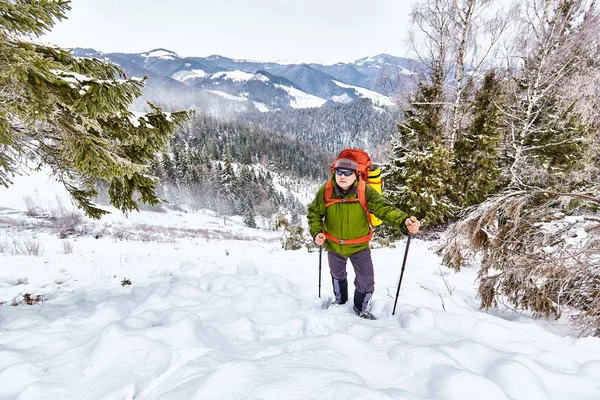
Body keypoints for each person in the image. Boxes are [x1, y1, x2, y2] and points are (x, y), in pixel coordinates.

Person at [307, 156, 420, 318]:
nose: (342, 176)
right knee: (337, 275)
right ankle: (340, 300)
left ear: (355, 175)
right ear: (334, 172)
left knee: (366, 281)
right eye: (339, 172)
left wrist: (404, 221)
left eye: (347, 173)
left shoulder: (364, 190)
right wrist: (316, 232)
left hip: (359, 246)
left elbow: (384, 209)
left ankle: (360, 308)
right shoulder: (326, 190)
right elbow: (314, 214)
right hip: (333, 246)